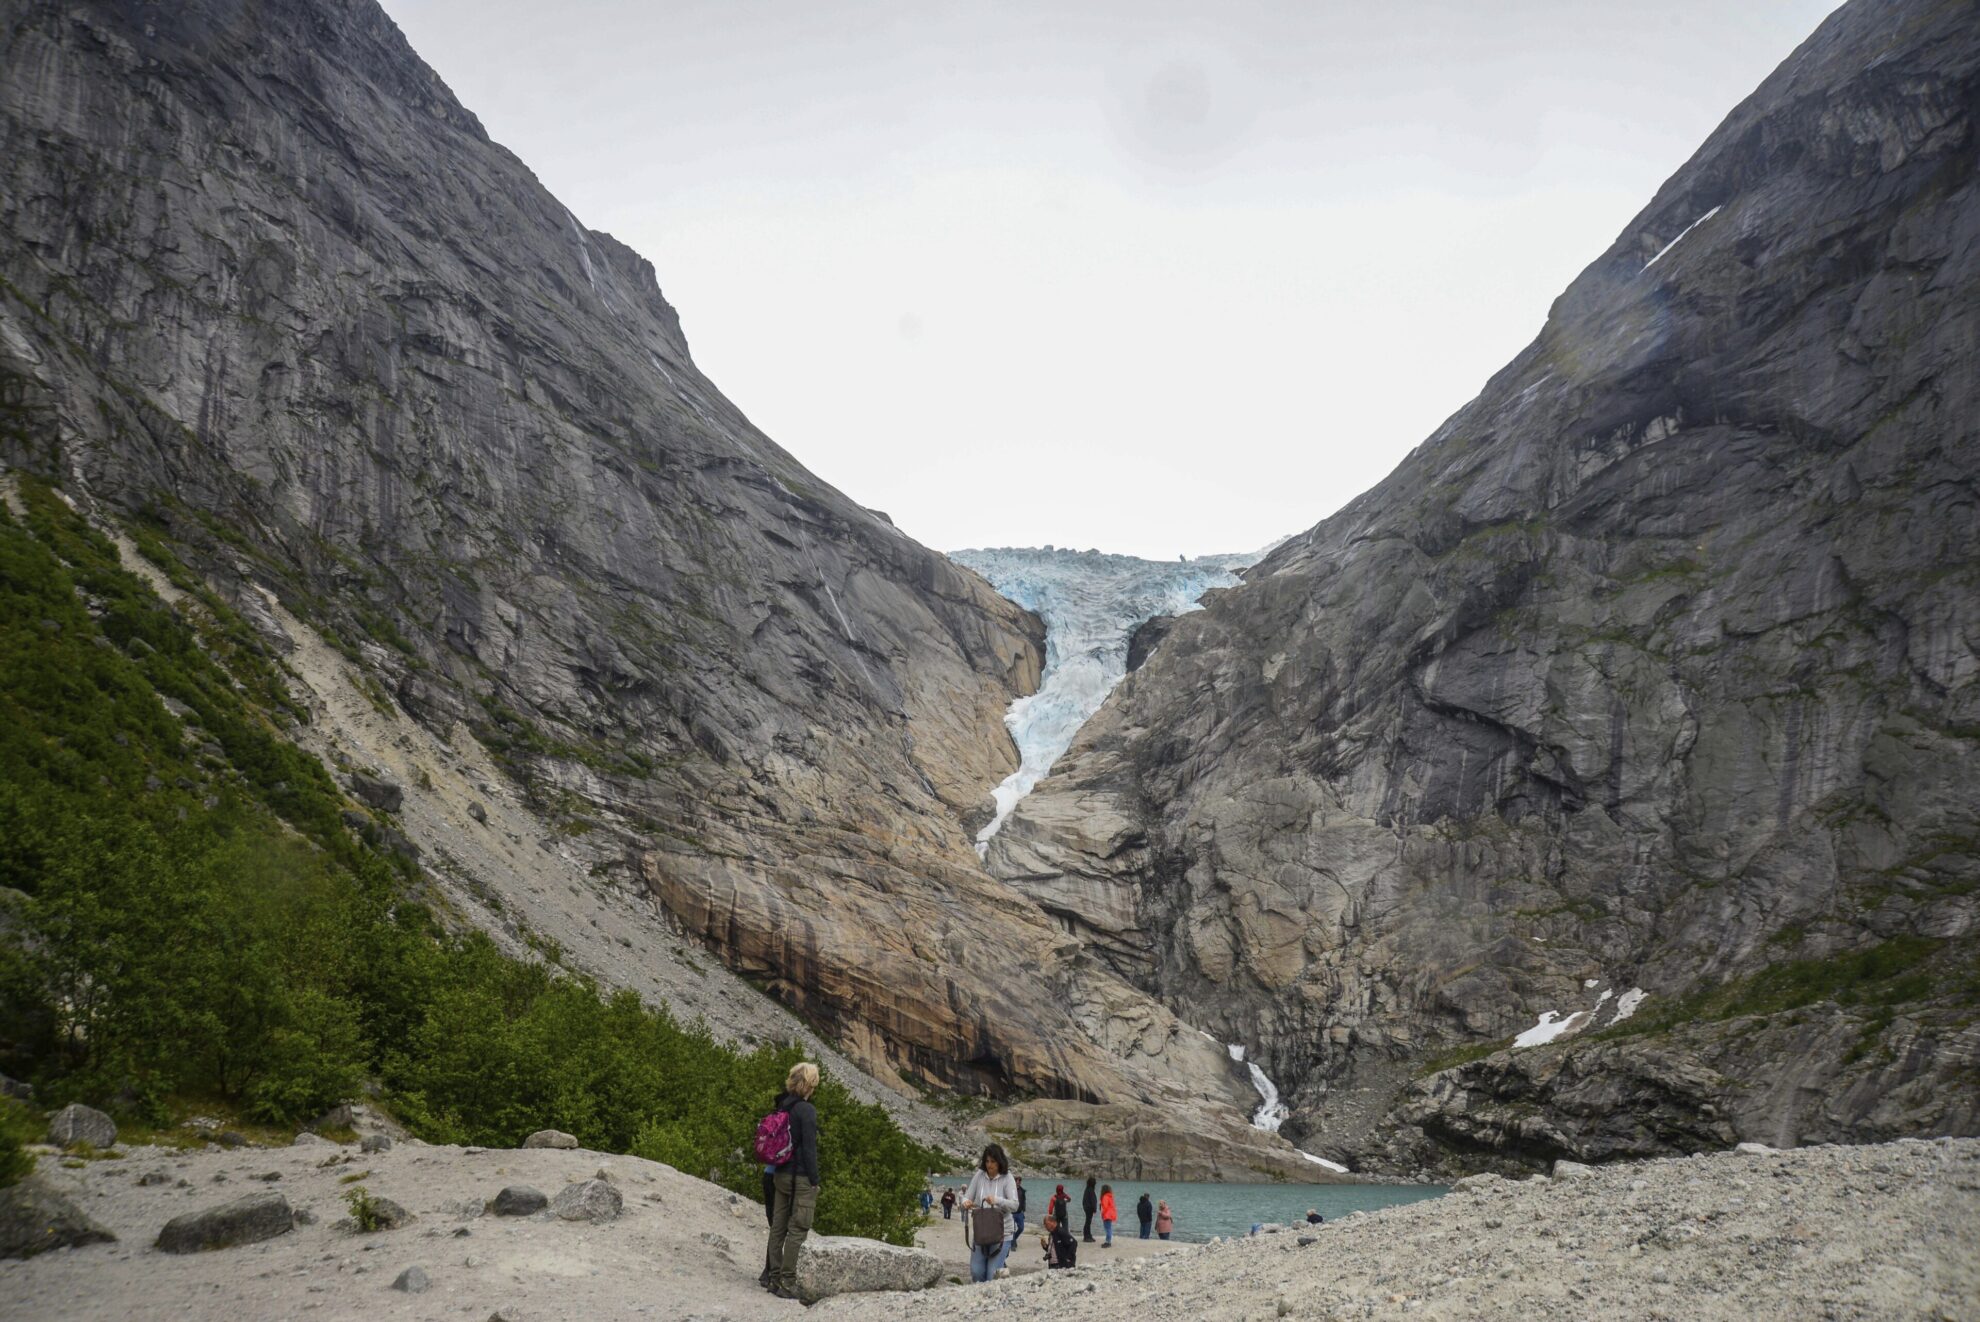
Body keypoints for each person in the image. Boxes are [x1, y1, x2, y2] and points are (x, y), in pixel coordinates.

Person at [762, 1061, 821, 1300]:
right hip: (800, 1177)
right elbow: (809, 1149)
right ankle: (788, 1281)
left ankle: (774, 1277)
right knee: (798, 1228)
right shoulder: (806, 1110)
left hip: (779, 1173)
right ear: (809, 1084)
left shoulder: (782, 1103)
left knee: (778, 1227)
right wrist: (815, 1179)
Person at [960, 1143, 1020, 1283]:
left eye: (993, 1161)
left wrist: (997, 1200)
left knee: (991, 1275)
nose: (989, 1165)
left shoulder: (1008, 1178)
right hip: (982, 1231)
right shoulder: (979, 1176)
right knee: (976, 1271)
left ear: (999, 1162)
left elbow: (1015, 1205)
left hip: (1002, 1233)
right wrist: (965, 1202)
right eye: (987, 1161)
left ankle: (991, 1296)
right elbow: (966, 1196)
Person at [1081, 1177, 1098, 1242]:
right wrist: (1094, 1209)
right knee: (1088, 1222)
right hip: (1089, 1208)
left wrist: (1085, 1207)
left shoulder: (1087, 1189)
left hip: (1087, 1207)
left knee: (1088, 1222)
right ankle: (1086, 1236)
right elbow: (1093, 1200)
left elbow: (1084, 1200)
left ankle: (1088, 1235)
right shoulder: (1091, 1190)